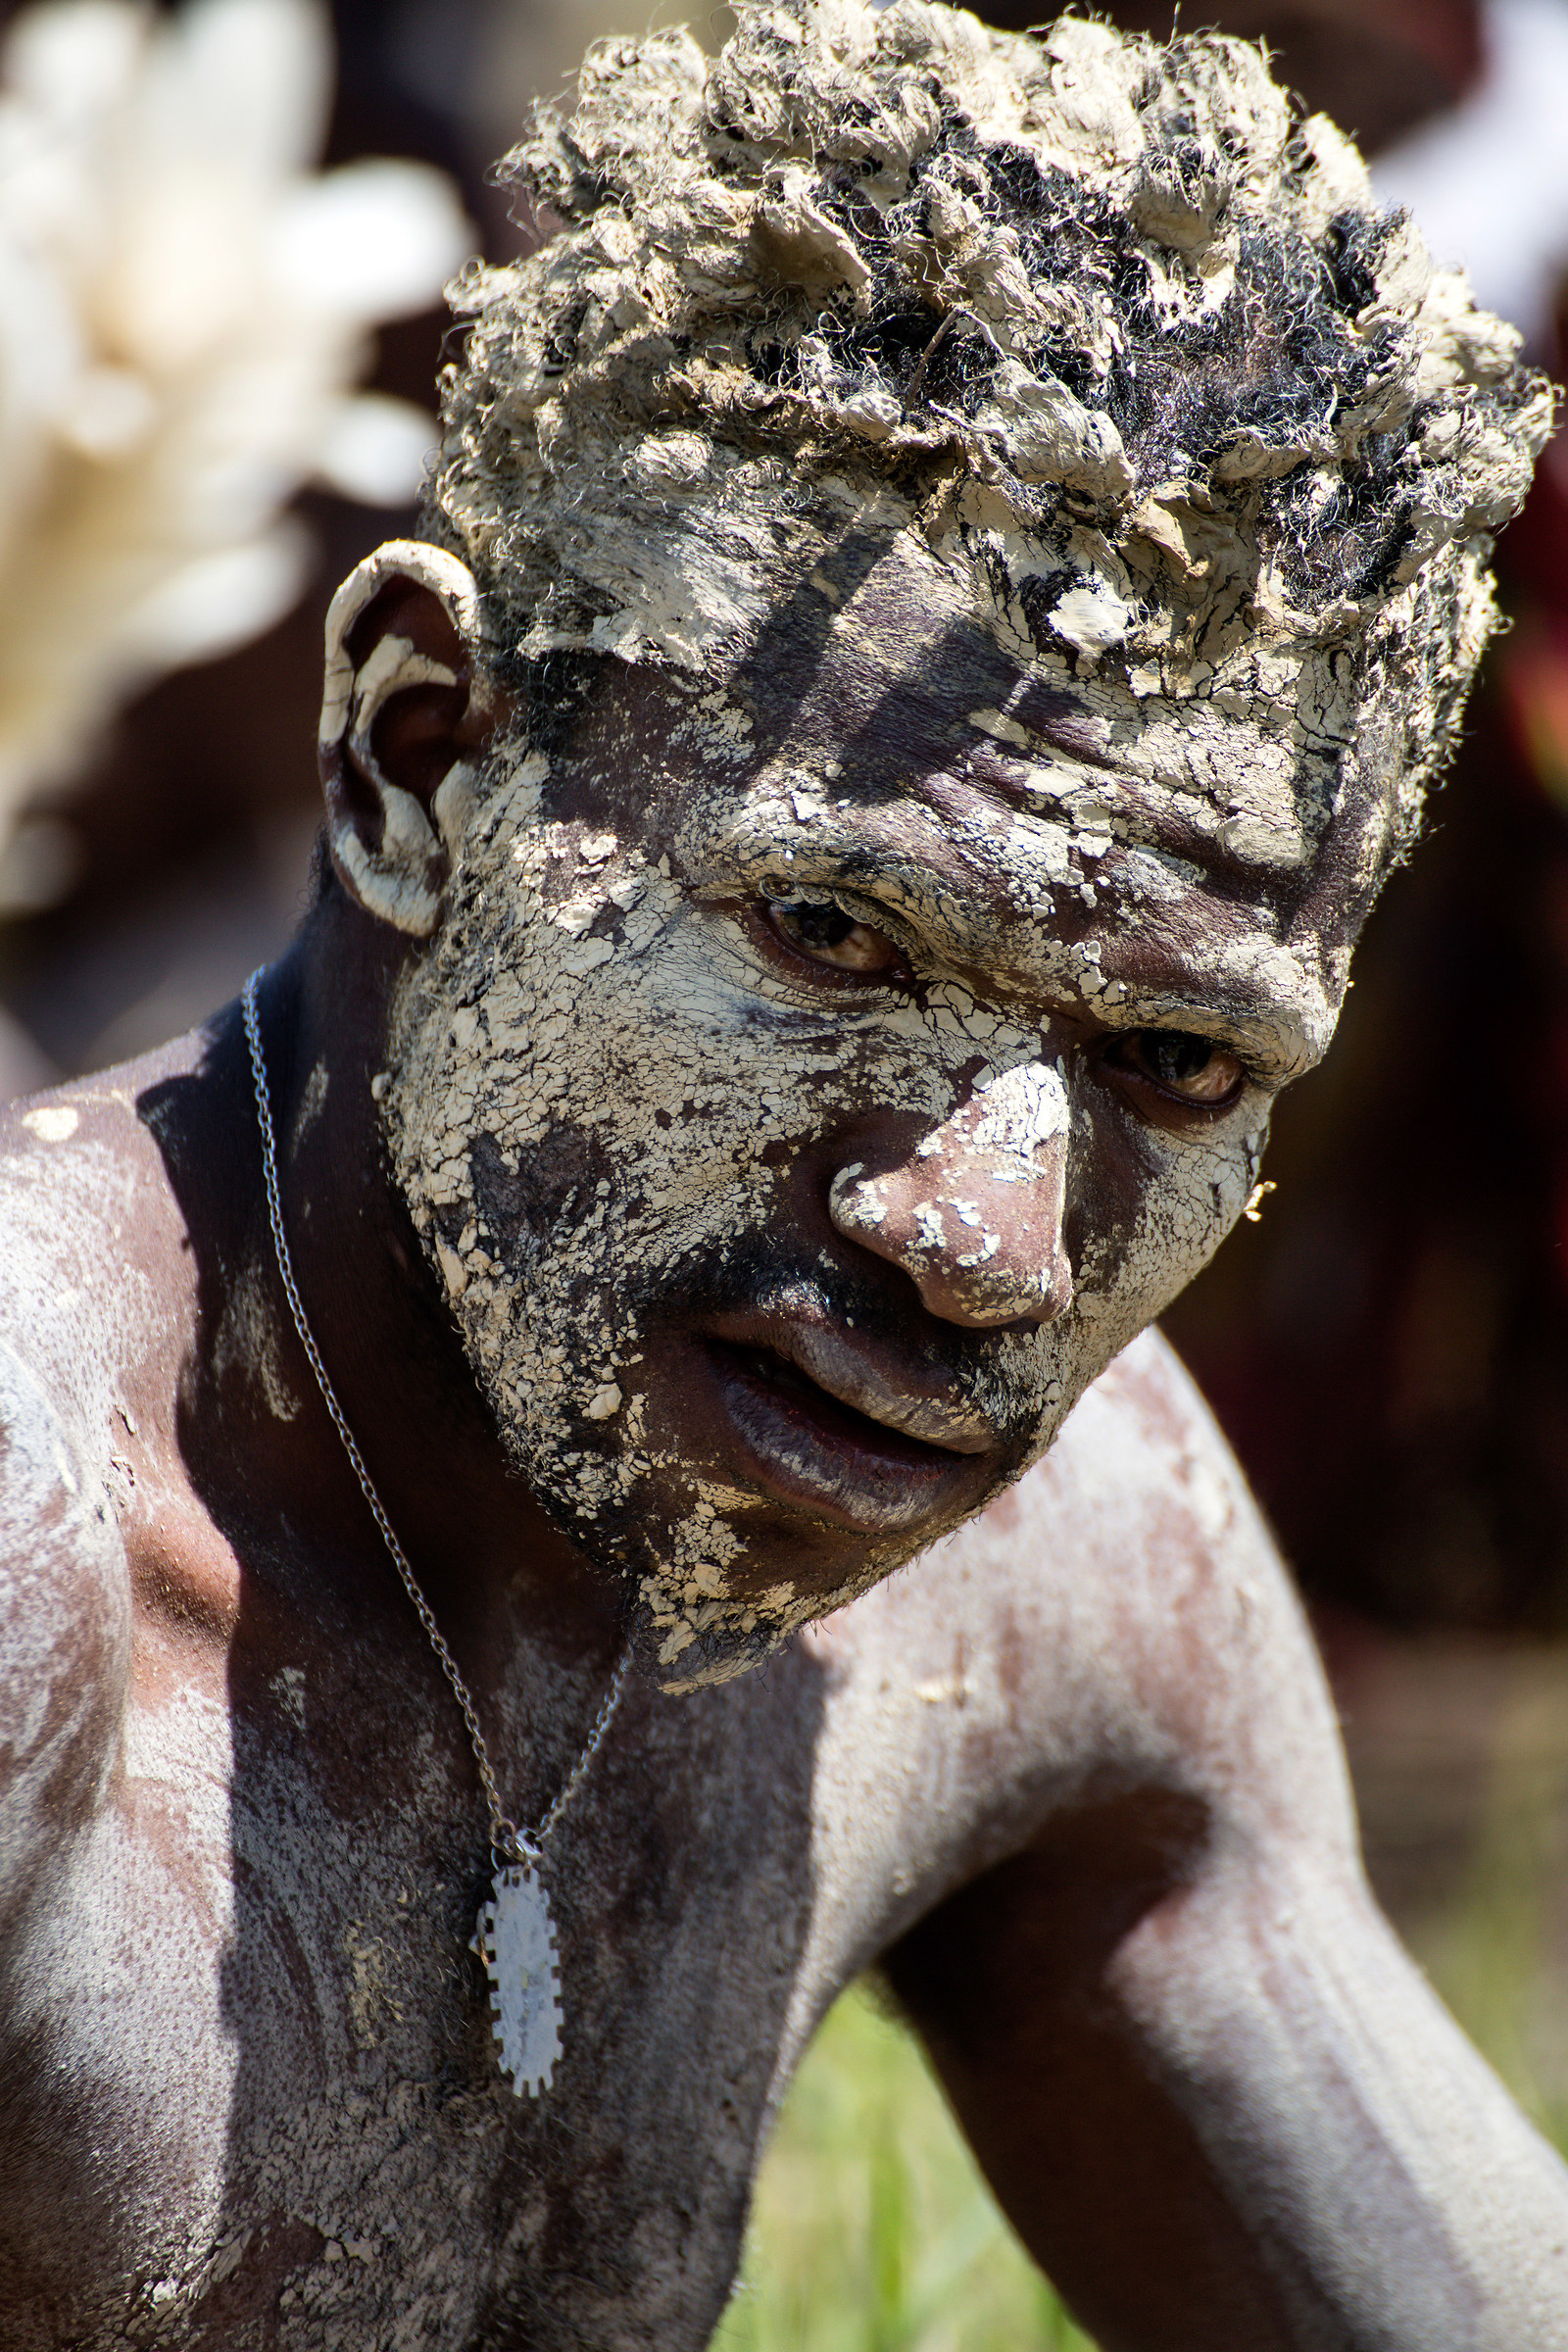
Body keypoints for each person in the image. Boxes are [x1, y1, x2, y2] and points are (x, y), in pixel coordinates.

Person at [0, 4, 1561, 2344]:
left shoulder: (1054, 1573)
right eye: (832, 936)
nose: (985, 1240)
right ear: (418, 764)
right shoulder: (39, 1558)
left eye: (1169, 1058)